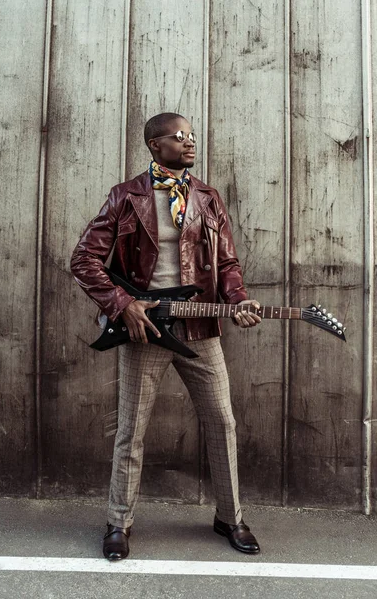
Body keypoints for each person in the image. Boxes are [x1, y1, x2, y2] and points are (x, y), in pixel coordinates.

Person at [70, 112, 262, 561]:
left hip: (200, 329)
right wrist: (121, 304)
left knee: (222, 423)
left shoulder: (208, 199)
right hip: (146, 330)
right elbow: (84, 260)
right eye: (179, 137)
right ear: (155, 145)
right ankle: (119, 522)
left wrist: (239, 300)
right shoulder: (125, 197)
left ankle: (230, 517)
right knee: (131, 431)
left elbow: (228, 266)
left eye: (192, 136)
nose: (189, 142)